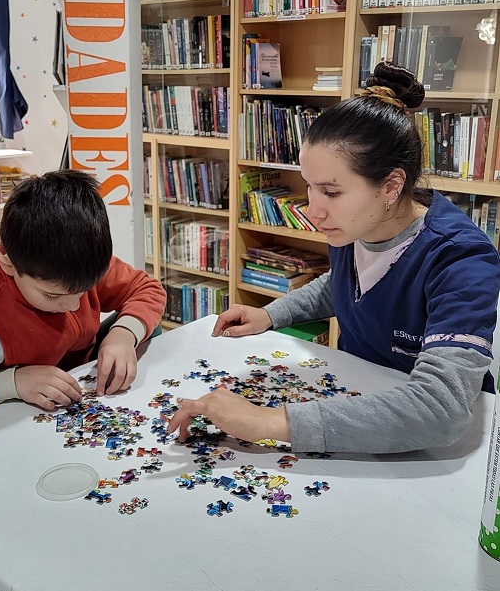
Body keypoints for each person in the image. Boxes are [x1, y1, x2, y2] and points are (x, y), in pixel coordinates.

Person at [169, 62, 500, 454]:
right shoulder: (354, 226)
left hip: (425, 446)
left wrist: (269, 421)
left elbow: (441, 409)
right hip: (354, 400)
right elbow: (346, 283)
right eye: (309, 187)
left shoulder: (463, 260)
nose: (313, 210)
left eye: (331, 191)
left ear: (392, 185)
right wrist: (274, 314)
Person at [0, 170, 166, 425]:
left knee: (144, 324)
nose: (73, 305)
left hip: (70, 372)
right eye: (53, 296)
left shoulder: (77, 264)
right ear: (8, 266)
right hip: (9, 405)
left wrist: (124, 335)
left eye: (84, 291)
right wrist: (10, 383)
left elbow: (147, 288)